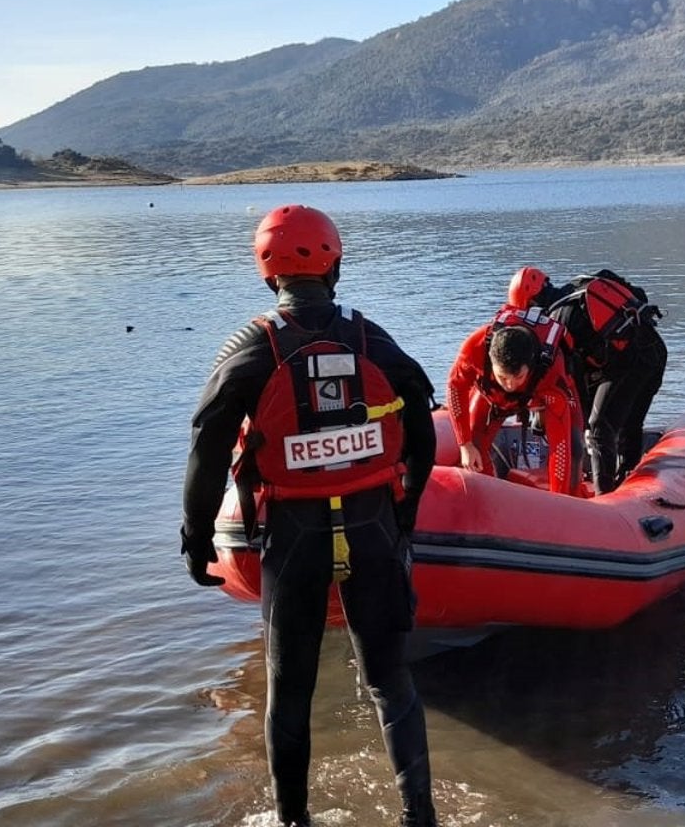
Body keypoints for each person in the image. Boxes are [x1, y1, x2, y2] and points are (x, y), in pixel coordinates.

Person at [179, 204, 440, 827]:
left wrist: (196, 537)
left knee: (290, 691)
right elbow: (422, 428)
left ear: (268, 272)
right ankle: (419, 816)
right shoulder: (370, 337)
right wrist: (404, 513)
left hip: (292, 537)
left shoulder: (250, 347)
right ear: (334, 264)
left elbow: (208, 446)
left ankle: (293, 820)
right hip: (373, 527)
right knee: (390, 682)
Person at [513, 267, 667, 494]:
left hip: (632, 364)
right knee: (629, 422)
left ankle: (604, 496)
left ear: (533, 304)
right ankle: (629, 478)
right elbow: (639, 296)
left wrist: (576, 422)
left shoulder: (559, 321)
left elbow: (575, 383)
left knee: (598, 428)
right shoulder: (583, 284)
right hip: (656, 353)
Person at [445, 288, 587, 497]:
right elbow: (455, 388)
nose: (510, 385)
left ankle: (576, 499)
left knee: (574, 447)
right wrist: (464, 444)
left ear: (529, 366)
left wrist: (558, 501)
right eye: (503, 377)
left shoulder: (550, 371)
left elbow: (560, 449)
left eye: (517, 377)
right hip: (493, 396)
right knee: (475, 445)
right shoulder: (474, 349)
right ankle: (488, 499)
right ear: (491, 361)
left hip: (540, 392)